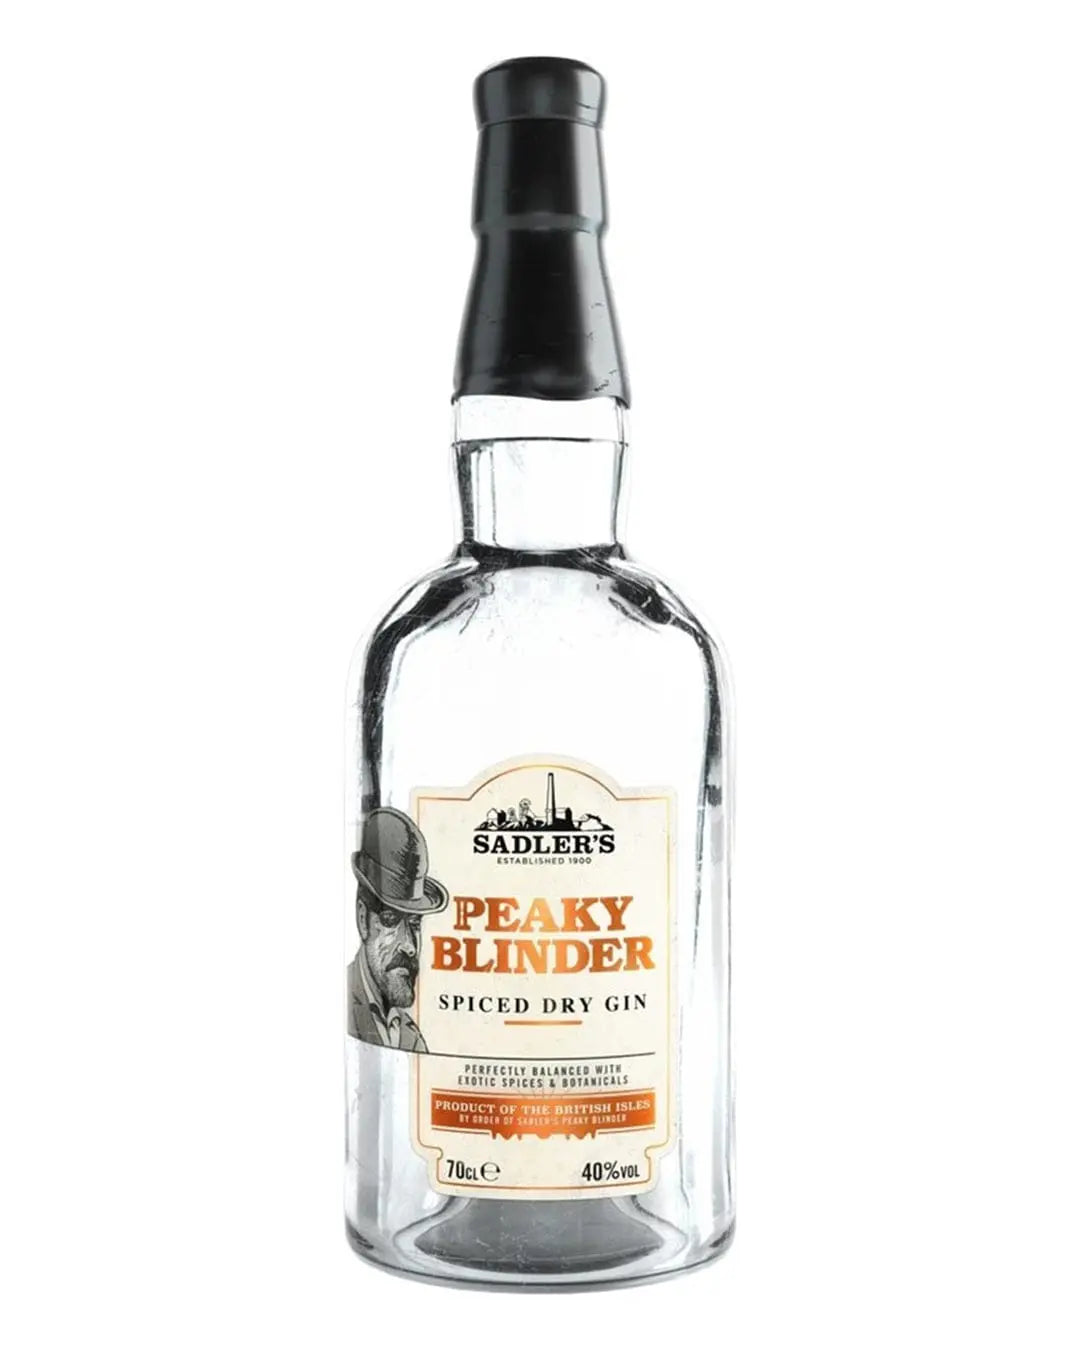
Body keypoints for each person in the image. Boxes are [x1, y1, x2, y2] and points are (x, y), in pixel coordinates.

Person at [346, 807, 448, 1052]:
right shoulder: (341, 1006)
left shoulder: (411, 1038)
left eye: (415, 924)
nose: (410, 946)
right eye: (391, 920)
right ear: (363, 919)